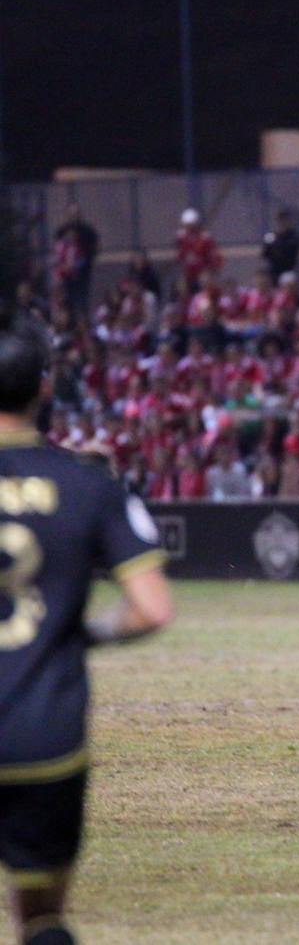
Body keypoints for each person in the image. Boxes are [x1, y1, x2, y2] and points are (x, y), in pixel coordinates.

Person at [0, 318, 175, 945]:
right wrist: (84, 634)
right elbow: (152, 609)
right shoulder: (89, 484)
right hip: (44, 736)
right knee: (41, 917)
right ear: (44, 390)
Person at [261, 209, 299, 285]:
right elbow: (265, 253)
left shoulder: (293, 236)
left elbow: (292, 251)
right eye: (279, 220)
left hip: (288, 269)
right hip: (274, 270)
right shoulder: (271, 236)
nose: (281, 222)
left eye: (284, 220)